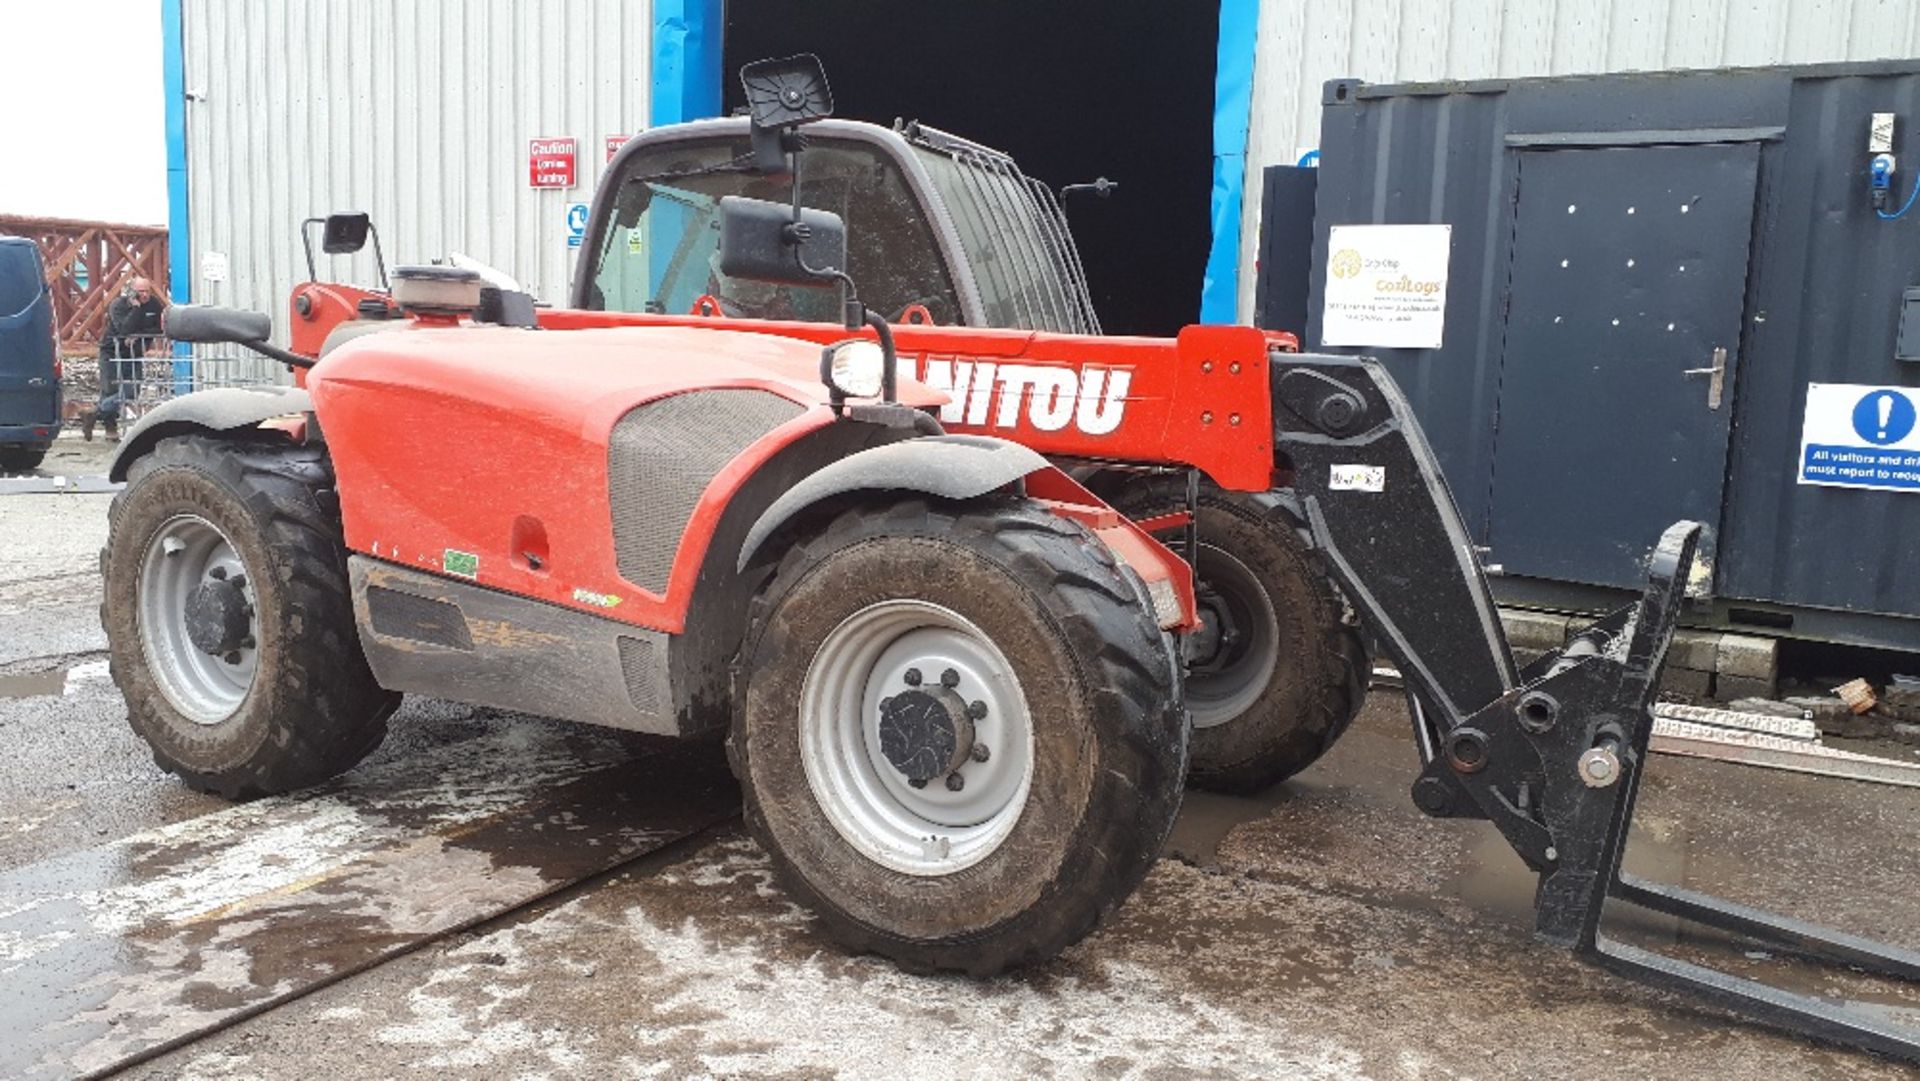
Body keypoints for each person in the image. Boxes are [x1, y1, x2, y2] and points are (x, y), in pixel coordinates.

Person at [86, 278, 166, 441]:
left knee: (132, 390)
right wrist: (136, 309)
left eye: (147, 291)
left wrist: (139, 334)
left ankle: (94, 413)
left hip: (134, 353)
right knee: (110, 390)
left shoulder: (154, 305)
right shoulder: (118, 306)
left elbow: (159, 327)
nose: (145, 295)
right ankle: (110, 428)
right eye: (141, 291)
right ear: (131, 292)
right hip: (112, 352)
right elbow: (123, 329)